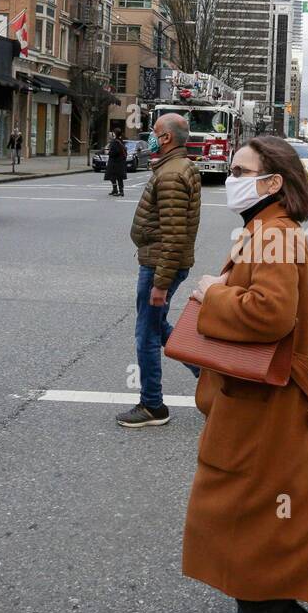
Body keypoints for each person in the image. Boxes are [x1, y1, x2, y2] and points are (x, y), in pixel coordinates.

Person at [183, 135, 308, 613]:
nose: (230, 177)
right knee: (249, 515)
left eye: (240, 169)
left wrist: (213, 294)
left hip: (267, 408)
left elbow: (271, 314)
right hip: (257, 402)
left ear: (273, 181)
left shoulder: (274, 234)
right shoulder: (267, 229)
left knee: (247, 514)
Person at [116, 113, 201, 427]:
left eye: (155, 131)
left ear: (166, 138)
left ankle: (152, 406)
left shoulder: (170, 175)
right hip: (161, 263)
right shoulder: (180, 167)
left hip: (158, 265)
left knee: (147, 336)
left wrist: (161, 283)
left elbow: (174, 234)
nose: (151, 136)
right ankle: (205, 370)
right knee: (157, 325)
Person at [104, 127, 128, 197]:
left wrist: (108, 152)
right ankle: (119, 191)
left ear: (115, 134)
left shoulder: (115, 142)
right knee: (118, 177)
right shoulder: (121, 140)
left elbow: (115, 152)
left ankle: (117, 190)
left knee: (113, 176)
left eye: (113, 133)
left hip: (115, 163)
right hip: (120, 162)